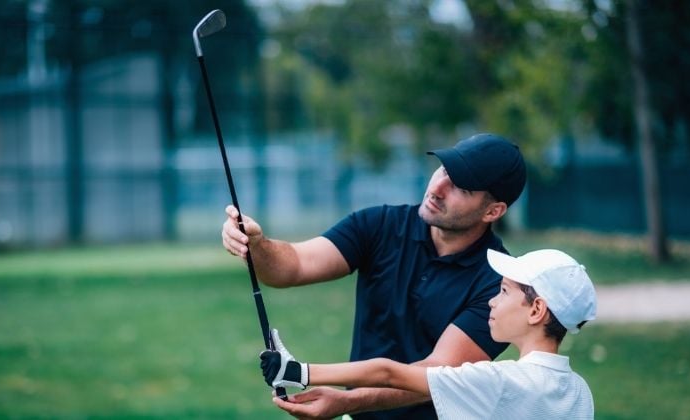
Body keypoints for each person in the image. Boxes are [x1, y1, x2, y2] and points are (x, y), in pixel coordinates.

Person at [222, 133, 526, 419]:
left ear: (493, 211)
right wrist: (257, 244)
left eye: (462, 187)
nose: (437, 188)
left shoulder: (500, 285)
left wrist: (348, 400)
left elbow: (435, 376)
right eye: (444, 170)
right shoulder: (379, 225)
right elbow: (294, 266)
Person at [260, 248, 598, 420]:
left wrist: (298, 372)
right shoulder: (580, 393)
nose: (492, 301)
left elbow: (388, 372)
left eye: (505, 292)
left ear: (537, 310)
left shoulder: (497, 382)